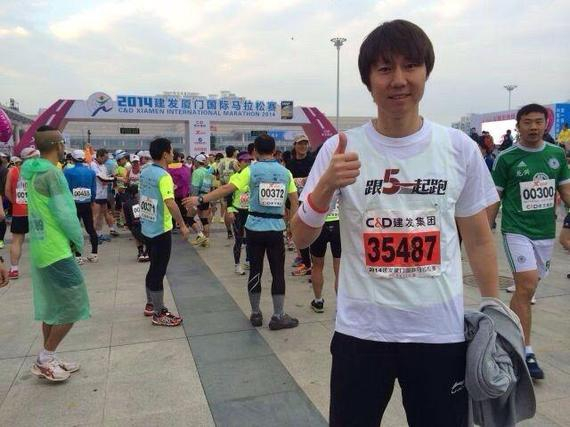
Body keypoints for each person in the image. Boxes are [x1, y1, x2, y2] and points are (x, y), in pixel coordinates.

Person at [291, 20, 500, 426]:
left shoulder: (458, 148)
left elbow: (478, 240)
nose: (399, 80)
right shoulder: (340, 149)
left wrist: (494, 311)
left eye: (411, 66)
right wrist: (326, 187)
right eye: (385, 69)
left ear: (426, 72)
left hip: (438, 333)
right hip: (362, 333)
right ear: (368, 80)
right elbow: (300, 236)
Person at [488, 103, 570, 380]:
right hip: (516, 230)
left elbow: (566, 190)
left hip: (544, 232)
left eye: (538, 122)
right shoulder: (506, 158)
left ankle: (510, 334)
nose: (533, 127)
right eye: (527, 122)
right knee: (525, 284)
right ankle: (525, 350)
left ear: (546, 125)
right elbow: (495, 197)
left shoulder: (556, 154)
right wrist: (485, 230)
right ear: (518, 126)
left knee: (528, 288)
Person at [185, 134, 300, 331]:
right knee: (278, 272)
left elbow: (228, 188)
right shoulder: (285, 172)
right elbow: (294, 201)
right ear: (274, 151)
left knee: (255, 270)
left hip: (254, 228)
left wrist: (201, 199)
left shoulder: (250, 170)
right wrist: (292, 226)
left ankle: (255, 313)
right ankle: (278, 315)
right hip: (275, 229)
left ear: (255, 152)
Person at [23, 125, 90, 382]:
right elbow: (65, 213)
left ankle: (48, 356)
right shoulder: (52, 173)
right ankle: (45, 358)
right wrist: (77, 240)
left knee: (52, 306)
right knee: (74, 304)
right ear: (58, 145)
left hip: (41, 247)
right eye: (62, 144)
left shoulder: (31, 170)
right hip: (56, 249)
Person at [140, 137, 189, 326]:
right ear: (164, 154)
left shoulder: (145, 171)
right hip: (160, 230)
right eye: (171, 150)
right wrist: (182, 224)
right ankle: (159, 313)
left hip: (147, 227)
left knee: (153, 267)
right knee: (158, 270)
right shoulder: (164, 176)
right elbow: (170, 202)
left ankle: (150, 304)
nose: (173, 153)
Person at [5, 147, 40, 279]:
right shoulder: (39, 171)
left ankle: (14, 269)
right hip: (37, 211)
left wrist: (15, 202)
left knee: (17, 241)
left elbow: (7, 191)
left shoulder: (13, 171)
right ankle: (42, 268)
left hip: (19, 212)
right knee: (40, 240)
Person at [286, 134, 315, 276]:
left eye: (305, 143)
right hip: (295, 202)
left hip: (310, 202)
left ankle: (310, 261)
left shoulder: (313, 160)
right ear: (295, 145)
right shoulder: (290, 163)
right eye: (300, 144)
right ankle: (302, 258)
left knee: (311, 232)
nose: (303, 146)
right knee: (296, 231)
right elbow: (288, 184)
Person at [63, 149, 98, 264]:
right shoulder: (91, 172)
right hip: (87, 202)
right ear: (83, 159)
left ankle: (77, 256)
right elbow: (93, 189)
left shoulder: (67, 172)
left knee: (75, 229)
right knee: (90, 228)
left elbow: (65, 189)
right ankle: (94, 254)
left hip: (73, 204)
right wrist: (92, 200)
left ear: (72, 159)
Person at [308, 197, 341, 313]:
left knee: (317, 266)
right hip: (338, 223)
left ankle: (318, 302)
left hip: (319, 223)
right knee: (339, 268)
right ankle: (340, 305)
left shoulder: (314, 184)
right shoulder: (342, 185)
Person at [226, 151, 253, 275]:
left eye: (249, 161)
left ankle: (249, 260)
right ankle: (237, 264)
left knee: (250, 238)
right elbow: (228, 195)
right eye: (245, 161)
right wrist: (230, 210)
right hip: (237, 210)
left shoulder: (252, 176)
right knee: (239, 238)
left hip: (250, 210)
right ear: (239, 162)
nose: (248, 163)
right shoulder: (234, 177)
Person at [90, 149, 115, 242]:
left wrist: (111, 177)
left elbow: (106, 178)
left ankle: (99, 234)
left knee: (101, 216)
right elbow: (102, 179)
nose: (106, 160)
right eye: (105, 157)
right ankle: (93, 237)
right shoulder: (93, 165)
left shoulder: (103, 166)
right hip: (96, 194)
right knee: (95, 216)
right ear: (99, 156)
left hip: (103, 194)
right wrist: (116, 178)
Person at [190, 153, 213, 247]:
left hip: (198, 198)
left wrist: (192, 200)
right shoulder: (208, 172)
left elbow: (194, 187)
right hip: (206, 197)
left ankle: (200, 235)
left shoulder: (197, 172)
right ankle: (206, 240)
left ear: (197, 162)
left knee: (188, 218)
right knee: (204, 220)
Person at [217, 145, 240, 239]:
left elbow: (218, 174)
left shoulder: (221, 162)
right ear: (234, 152)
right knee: (236, 209)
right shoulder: (235, 162)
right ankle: (237, 229)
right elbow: (240, 172)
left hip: (224, 187)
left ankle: (229, 231)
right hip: (234, 187)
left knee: (227, 209)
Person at [122, 184, 149, 262]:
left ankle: (140, 252)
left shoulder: (127, 203)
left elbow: (127, 218)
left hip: (135, 226)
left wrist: (130, 227)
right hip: (144, 225)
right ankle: (147, 252)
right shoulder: (143, 201)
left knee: (136, 234)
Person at [0, 152, 9, 249]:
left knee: (2, 219)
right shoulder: (5, 170)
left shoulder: (5, 170)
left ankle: (1, 240)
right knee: (2, 219)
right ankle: (1, 240)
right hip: (3, 197)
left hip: (2, 197)